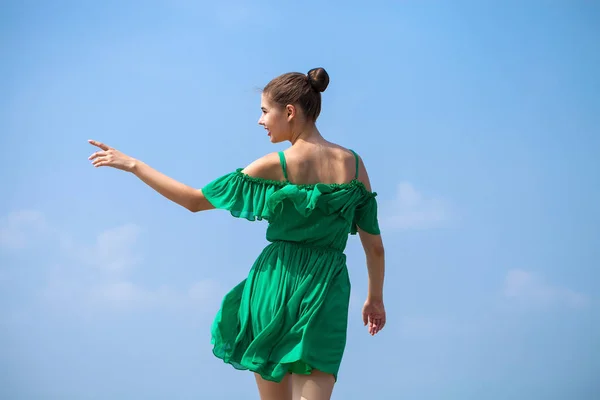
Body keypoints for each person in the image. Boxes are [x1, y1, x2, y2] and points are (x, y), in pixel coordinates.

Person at [87, 67, 386, 400]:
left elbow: (194, 200)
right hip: (327, 287)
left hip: (274, 283)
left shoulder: (275, 164)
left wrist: (133, 164)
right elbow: (374, 247)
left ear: (289, 112)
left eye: (263, 111)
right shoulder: (356, 166)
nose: (260, 121)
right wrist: (375, 299)